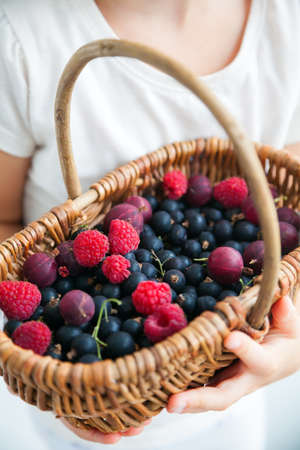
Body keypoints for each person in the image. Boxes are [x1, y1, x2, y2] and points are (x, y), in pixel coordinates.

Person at [0, 0, 300, 448]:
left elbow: (287, 205)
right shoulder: (23, 37)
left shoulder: (287, 24)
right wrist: (57, 386)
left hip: (226, 426)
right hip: (66, 420)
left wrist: (290, 353)